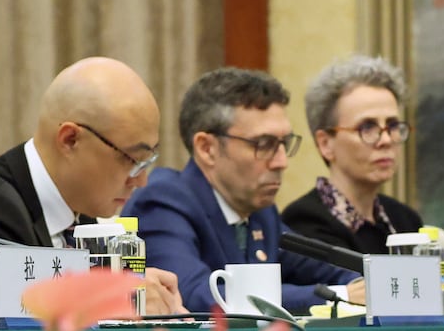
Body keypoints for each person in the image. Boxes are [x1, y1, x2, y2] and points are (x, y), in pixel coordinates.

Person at [0, 57, 184, 315]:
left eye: (148, 161)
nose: (141, 181)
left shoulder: (81, 215)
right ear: (70, 139)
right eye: (132, 160)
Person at [123, 67, 362, 315]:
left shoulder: (259, 210)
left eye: (284, 144)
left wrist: (364, 284)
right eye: (264, 144)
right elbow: (195, 295)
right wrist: (342, 296)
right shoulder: (162, 201)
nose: (281, 162)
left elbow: (322, 267)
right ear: (207, 148)